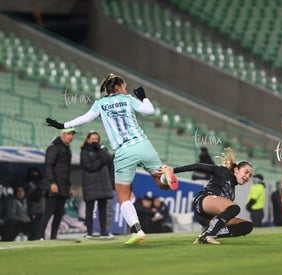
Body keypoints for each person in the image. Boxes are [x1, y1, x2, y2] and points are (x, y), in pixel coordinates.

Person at [45, 73, 178, 244]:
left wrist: (62, 125)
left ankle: (137, 231)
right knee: (161, 183)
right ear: (117, 88)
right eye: (124, 87)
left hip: (124, 151)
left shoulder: (100, 104)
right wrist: (144, 98)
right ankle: (166, 176)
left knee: (123, 197)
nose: (126, 90)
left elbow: (84, 119)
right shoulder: (128, 99)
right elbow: (150, 110)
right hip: (144, 145)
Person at [173, 147, 254, 244]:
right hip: (203, 200)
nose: (247, 177)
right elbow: (197, 166)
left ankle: (206, 234)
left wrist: (211, 224)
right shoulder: (223, 171)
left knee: (246, 226)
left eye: (250, 175)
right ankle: (209, 234)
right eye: (246, 172)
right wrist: (173, 170)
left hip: (206, 218)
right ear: (236, 169)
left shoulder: (232, 193)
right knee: (234, 208)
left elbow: (220, 215)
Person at [37, 128, 76, 240]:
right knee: (48, 212)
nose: (71, 136)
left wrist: (68, 187)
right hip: (53, 186)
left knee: (59, 214)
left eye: (72, 134)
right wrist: (52, 183)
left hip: (63, 186)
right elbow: (49, 166)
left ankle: (53, 237)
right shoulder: (54, 147)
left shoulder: (67, 149)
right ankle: (40, 236)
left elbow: (66, 171)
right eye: (69, 134)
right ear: (63, 135)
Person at [80, 131, 114, 238]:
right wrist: (100, 162)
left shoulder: (101, 150)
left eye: (96, 139)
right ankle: (89, 232)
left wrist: (99, 149)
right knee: (89, 209)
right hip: (90, 184)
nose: (95, 141)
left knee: (102, 209)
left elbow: (108, 159)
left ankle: (103, 231)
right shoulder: (84, 152)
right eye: (93, 139)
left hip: (103, 184)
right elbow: (89, 167)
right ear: (88, 140)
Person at [23, 167, 46, 241]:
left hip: (41, 208)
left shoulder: (42, 182)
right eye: (32, 172)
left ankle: (40, 237)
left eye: (35, 172)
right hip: (32, 209)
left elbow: (45, 192)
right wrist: (34, 192)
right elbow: (26, 194)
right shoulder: (27, 183)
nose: (34, 174)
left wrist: (40, 192)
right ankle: (33, 238)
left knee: (41, 225)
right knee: (33, 226)